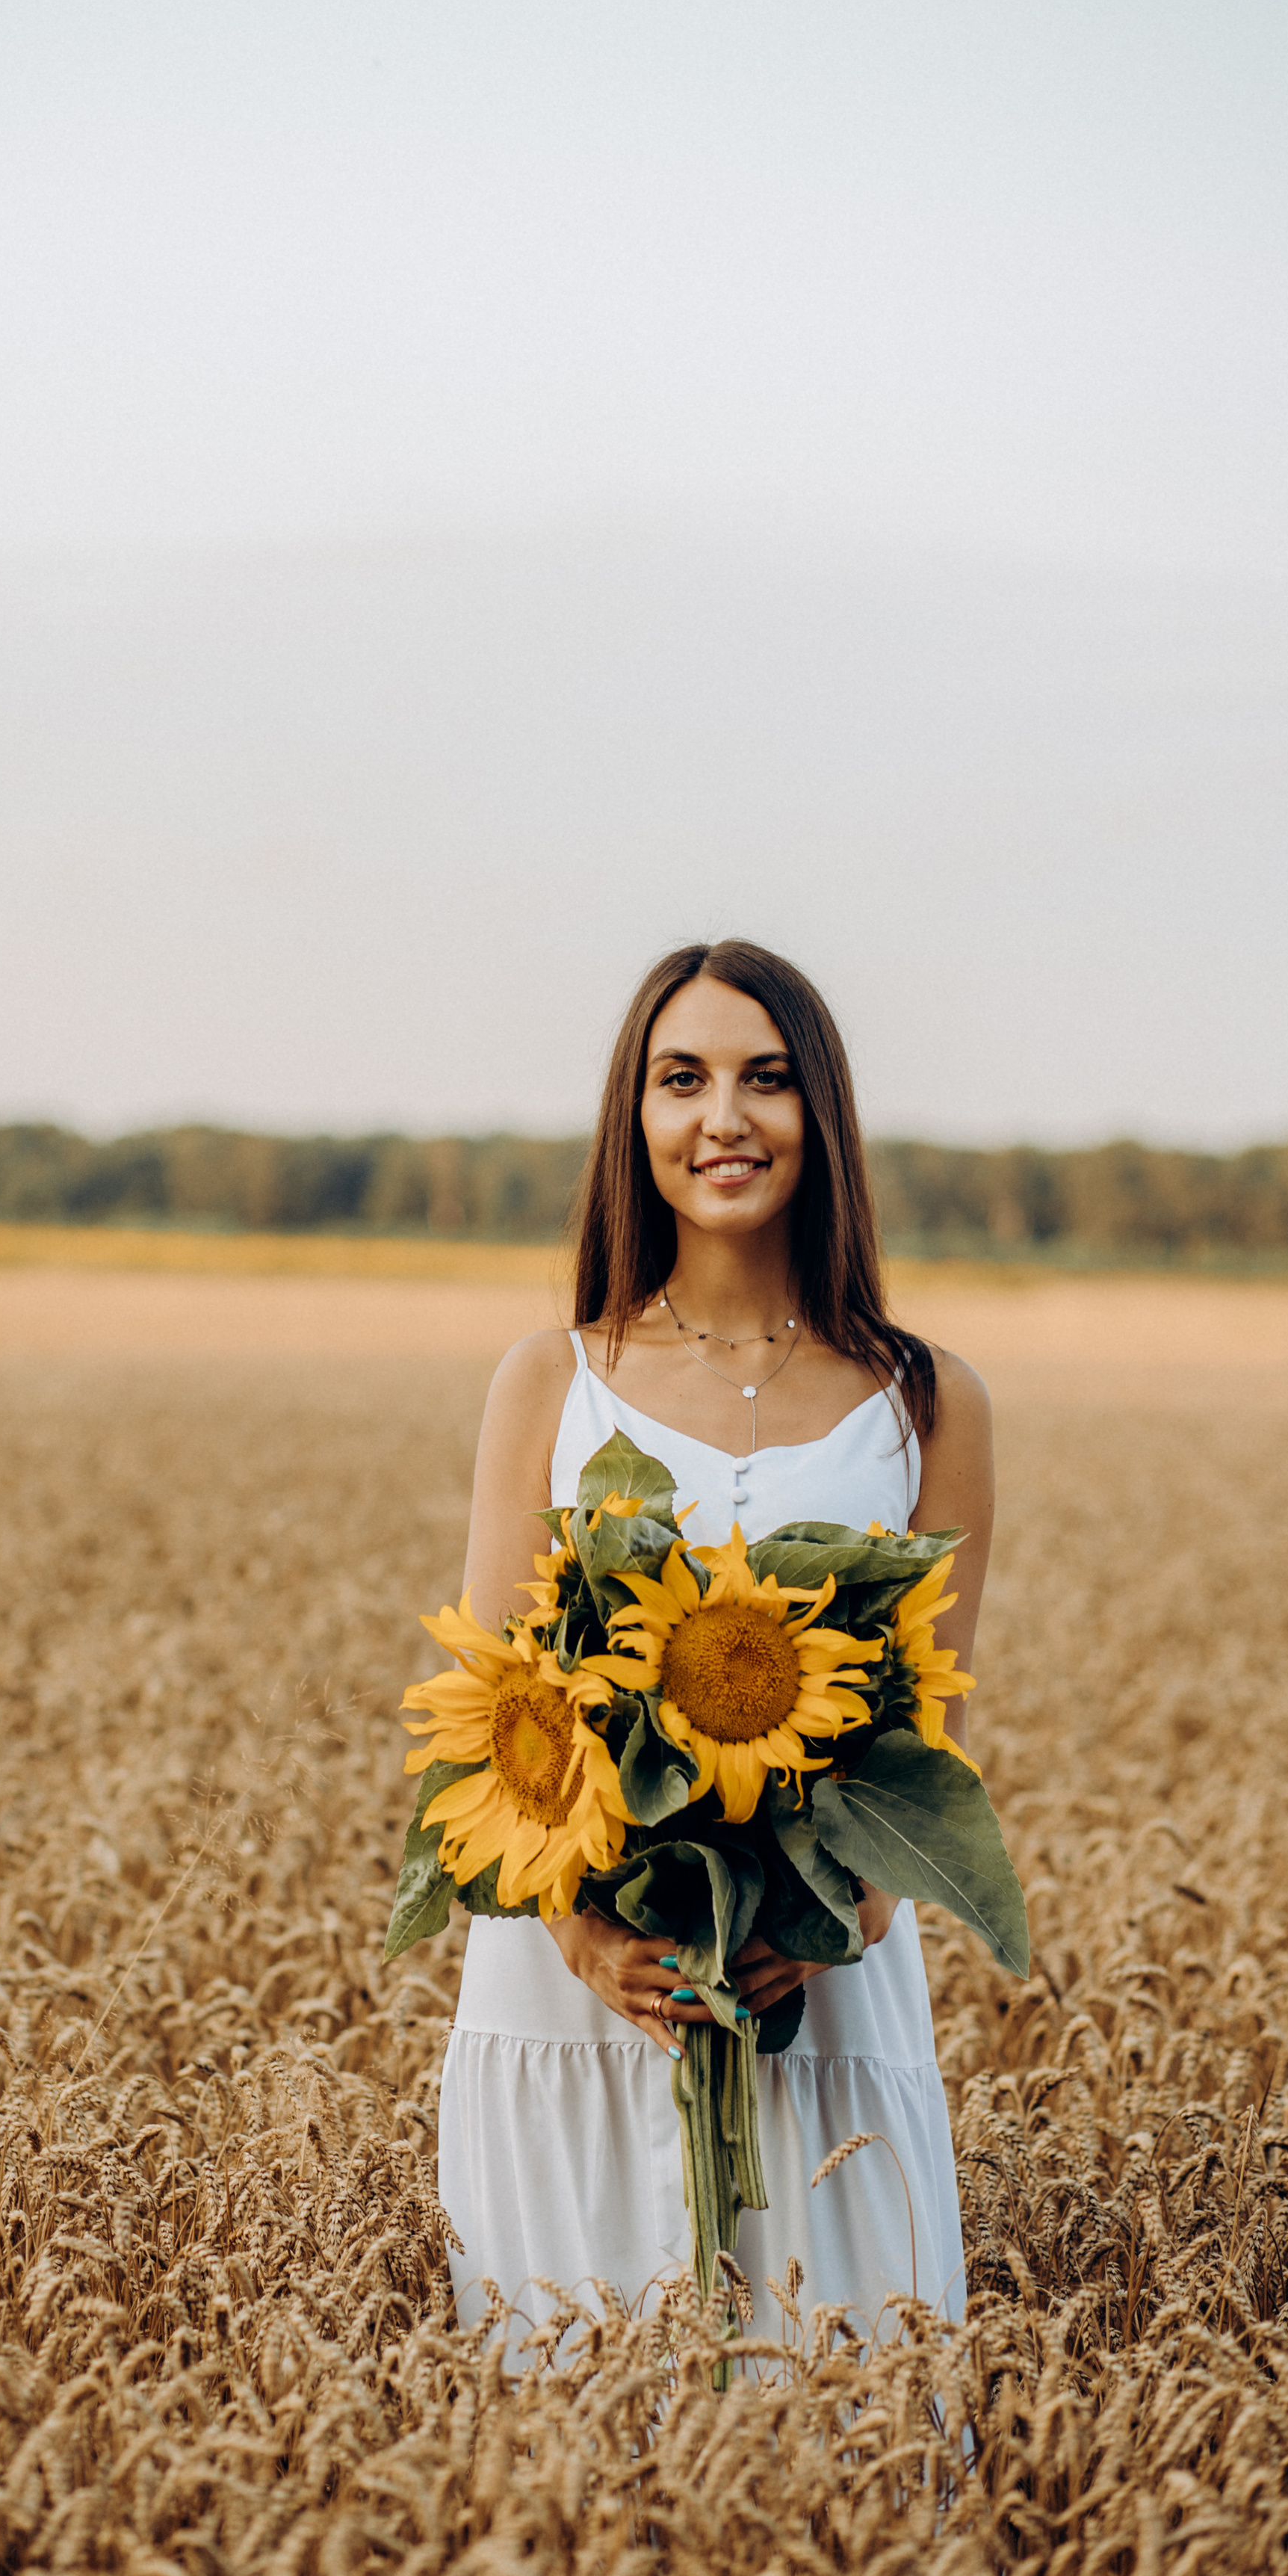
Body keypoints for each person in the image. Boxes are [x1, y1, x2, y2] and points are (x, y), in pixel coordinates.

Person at [438, 939, 991, 2343]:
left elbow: (925, 1740)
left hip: (817, 1999)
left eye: (767, 1080)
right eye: (682, 1079)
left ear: (824, 1119)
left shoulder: (927, 1400)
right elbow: (495, 1709)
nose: (723, 1119)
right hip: (585, 1994)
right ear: (637, 1116)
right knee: (569, 2439)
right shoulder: (550, 1381)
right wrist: (581, 1937)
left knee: (854, 2414)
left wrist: (828, 1926)